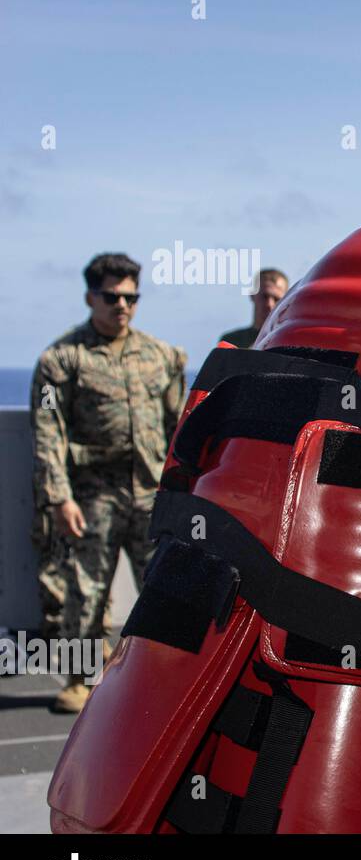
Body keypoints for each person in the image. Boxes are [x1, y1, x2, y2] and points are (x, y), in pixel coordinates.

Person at [30, 252, 187, 713]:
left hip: (152, 493)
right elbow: (47, 432)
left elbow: (181, 424)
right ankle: (79, 680)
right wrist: (59, 497)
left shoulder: (162, 356)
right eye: (113, 296)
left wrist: (185, 489)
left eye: (131, 297)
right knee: (86, 592)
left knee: (165, 589)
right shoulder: (61, 360)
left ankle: (169, 675)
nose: (123, 305)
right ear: (90, 297)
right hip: (93, 493)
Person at [219, 267, 289, 348]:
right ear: (252, 295)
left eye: (276, 299)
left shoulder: (290, 343)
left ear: (286, 300)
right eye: (264, 296)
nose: (269, 304)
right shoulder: (231, 341)